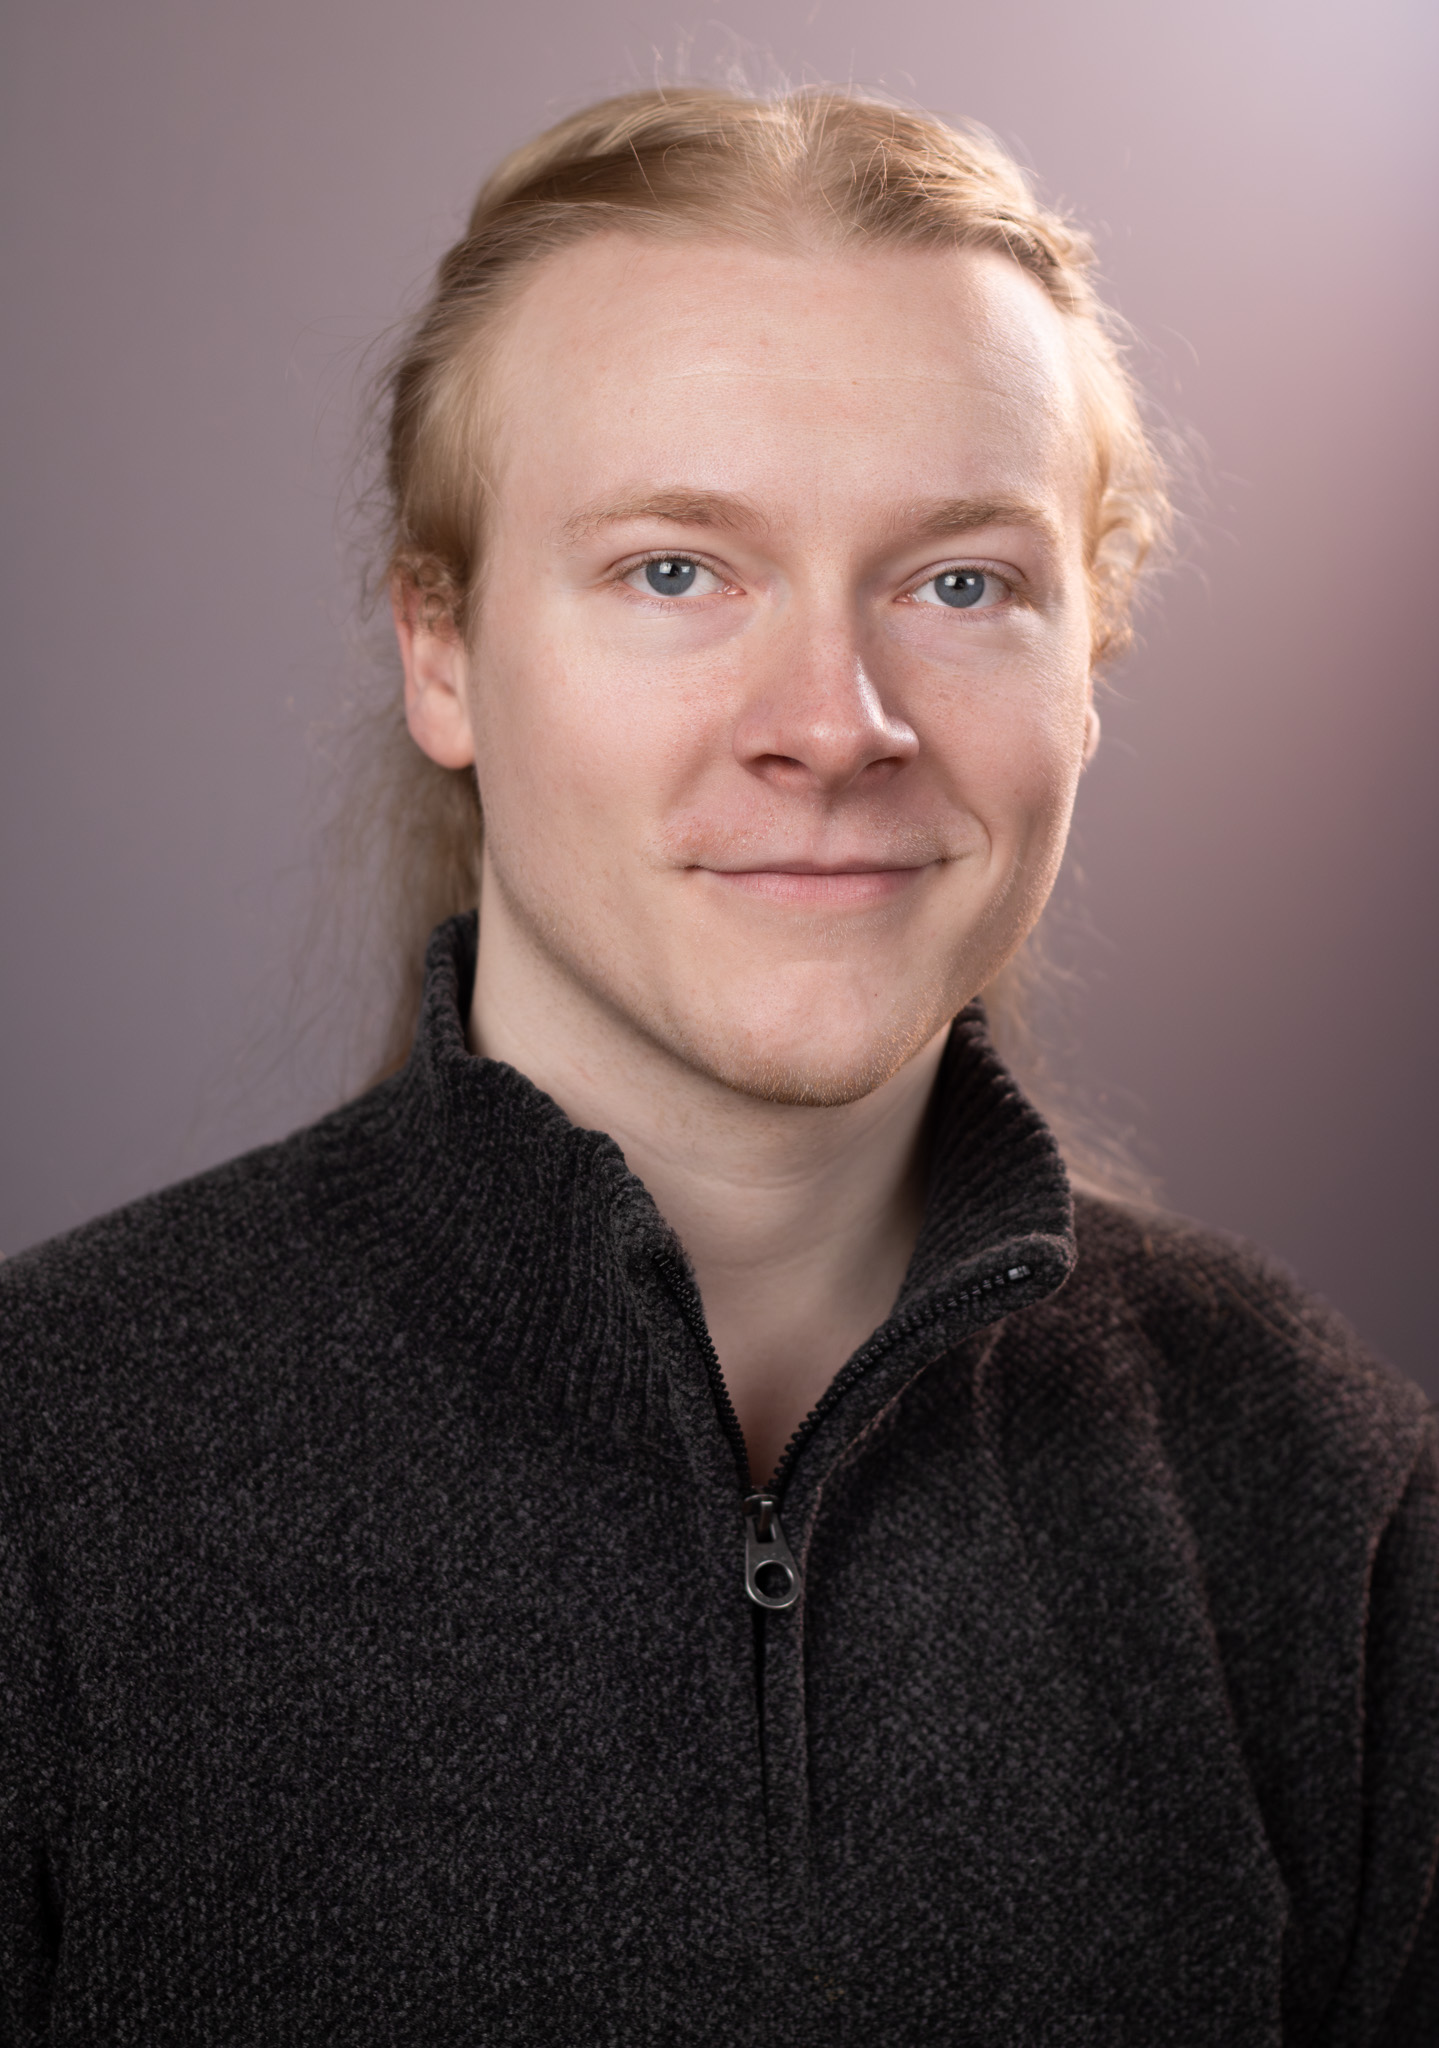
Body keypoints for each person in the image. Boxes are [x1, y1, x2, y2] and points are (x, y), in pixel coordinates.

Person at [1, 85, 1434, 2046]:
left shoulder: (1325, 1492)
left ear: (1088, 660)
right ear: (442, 649)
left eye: (963, 582)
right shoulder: (44, 1469)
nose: (836, 726)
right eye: (678, 569)